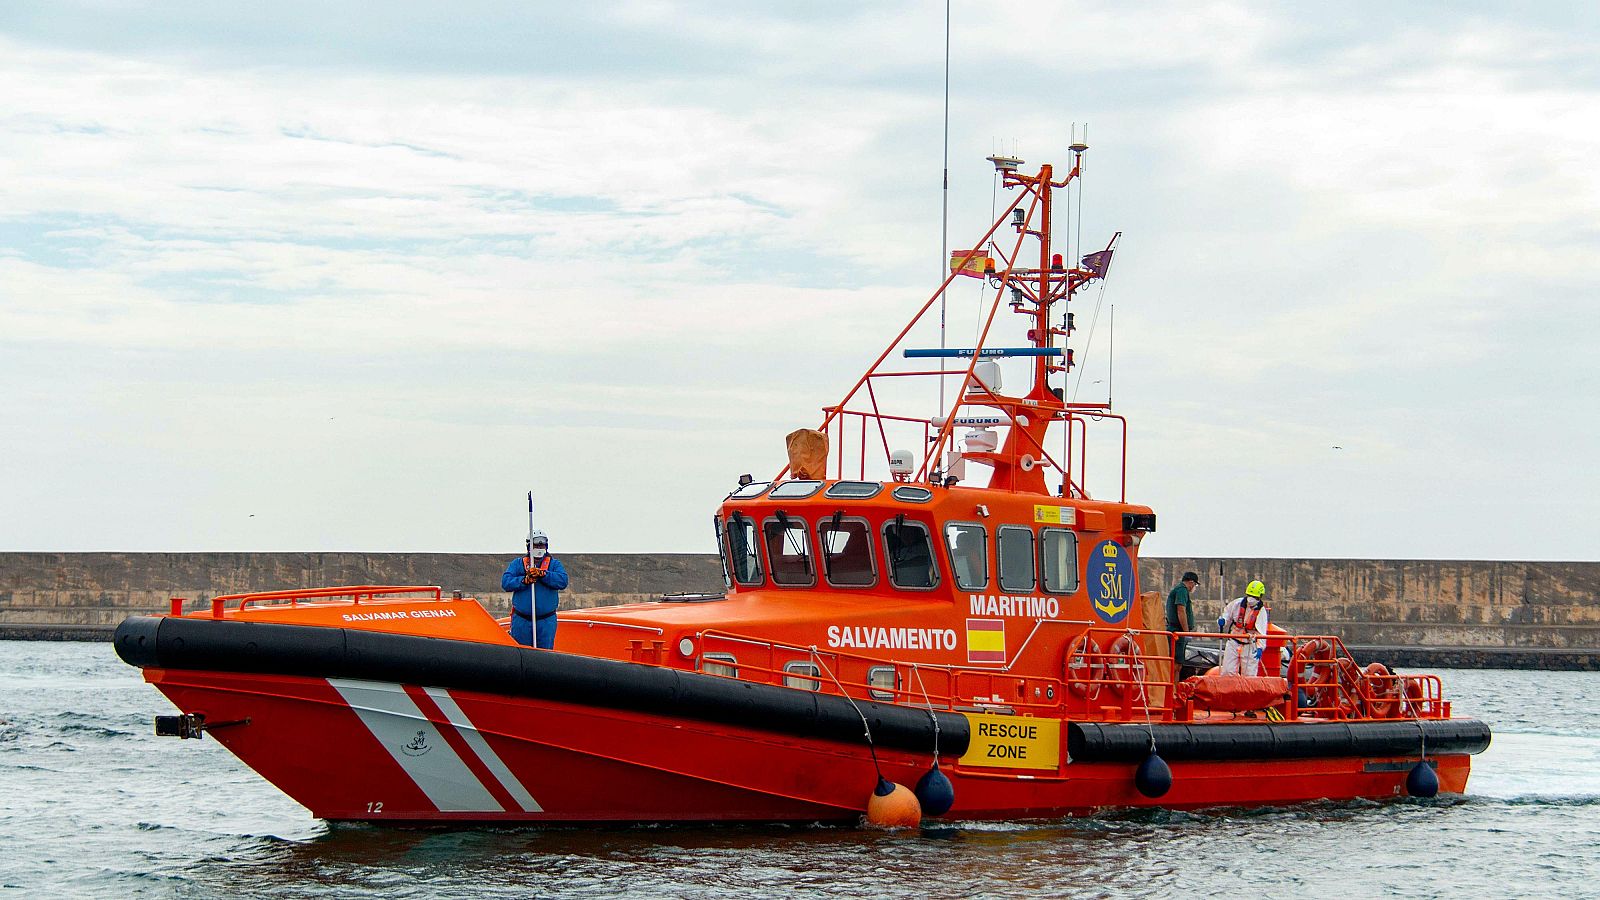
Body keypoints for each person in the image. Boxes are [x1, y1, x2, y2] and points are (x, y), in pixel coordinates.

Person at [501, 530, 570, 649]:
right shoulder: (518, 564)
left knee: (545, 655)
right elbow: (506, 582)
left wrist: (543, 574)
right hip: (522, 621)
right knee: (521, 653)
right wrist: (523, 581)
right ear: (529, 546)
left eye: (541, 545)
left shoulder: (554, 564)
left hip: (546, 621)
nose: (539, 548)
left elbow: (562, 581)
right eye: (536, 545)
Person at [1219, 580, 1269, 676]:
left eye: (1254, 597)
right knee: (1227, 671)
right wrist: (1223, 621)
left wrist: (1260, 648)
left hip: (1249, 644)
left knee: (1249, 675)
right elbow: (1227, 613)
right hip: (1234, 641)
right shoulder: (1237, 604)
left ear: (1260, 597)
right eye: (1250, 595)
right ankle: (1229, 690)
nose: (1251, 599)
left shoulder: (1261, 612)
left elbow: (1261, 632)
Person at [1166, 571, 1199, 664]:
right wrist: (1186, 632)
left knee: (1177, 663)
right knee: (1177, 663)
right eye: (1195, 585)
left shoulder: (1179, 590)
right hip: (1177, 631)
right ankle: (1174, 679)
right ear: (1191, 582)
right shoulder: (1182, 590)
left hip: (1177, 630)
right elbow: (1181, 610)